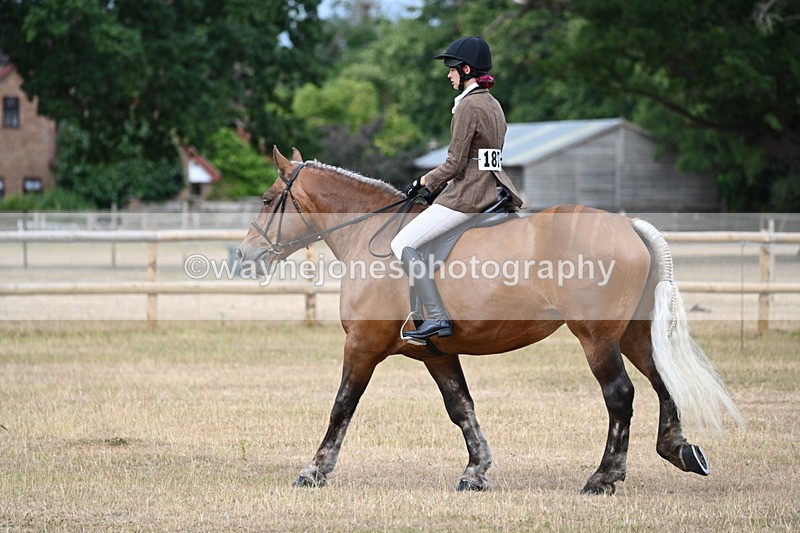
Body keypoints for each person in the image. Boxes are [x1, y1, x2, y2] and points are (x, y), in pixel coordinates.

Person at [391, 36, 525, 343]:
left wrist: (423, 182)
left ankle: (437, 316)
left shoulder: (468, 106)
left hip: (470, 195)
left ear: (466, 70)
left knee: (402, 242)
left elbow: (454, 163)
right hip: (496, 188)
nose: (448, 75)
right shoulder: (493, 104)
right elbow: (483, 157)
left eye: (451, 69)